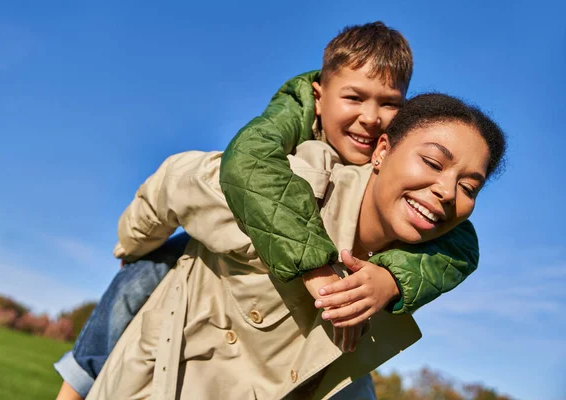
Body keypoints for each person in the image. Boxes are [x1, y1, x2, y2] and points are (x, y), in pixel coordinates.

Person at [55, 22, 480, 399]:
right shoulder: (293, 123)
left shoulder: (403, 179)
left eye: (389, 104)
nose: (370, 118)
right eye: (354, 97)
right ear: (319, 97)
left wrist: (391, 279)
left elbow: (462, 244)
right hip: (249, 208)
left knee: (349, 368)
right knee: (145, 269)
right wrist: (135, 240)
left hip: (311, 294)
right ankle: (75, 384)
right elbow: (243, 166)